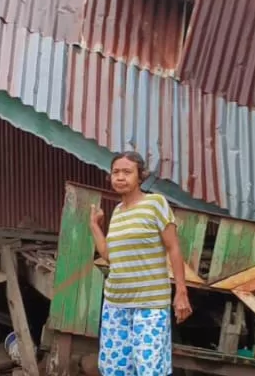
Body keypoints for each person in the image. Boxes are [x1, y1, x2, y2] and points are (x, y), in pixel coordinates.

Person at [90, 151, 193, 376]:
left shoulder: (155, 203)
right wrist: (95, 226)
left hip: (150, 303)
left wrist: (181, 291)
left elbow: (173, 247)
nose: (120, 177)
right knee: (115, 369)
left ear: (140, 176)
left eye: (127, 172)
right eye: (115, 172)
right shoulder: (117, 212)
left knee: (149, 369)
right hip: (116, 303)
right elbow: (109, 255)